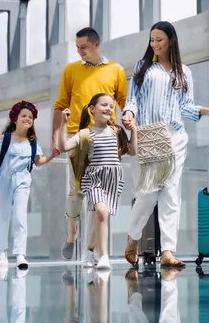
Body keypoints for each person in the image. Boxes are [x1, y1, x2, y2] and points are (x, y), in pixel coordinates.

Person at [121, 21, 209, 268]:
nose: (154, 44)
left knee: (171, 194)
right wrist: (129, 115)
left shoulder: (183, 72)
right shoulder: (142, 68)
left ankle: (168, 251)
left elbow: (185, 105)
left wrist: (204, 110)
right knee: (146, 194)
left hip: (175, 137)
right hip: (148, 135)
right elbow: (133, 99)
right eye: (152, 39)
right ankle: (133, 236)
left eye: (159, 40)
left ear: (170, 41)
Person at [52, 27, 128, 261]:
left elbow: (125, 103)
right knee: (76, 192)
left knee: (102, 196)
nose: (79, 51)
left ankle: (93, 246)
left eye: (83, 46)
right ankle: (72, 233)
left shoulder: (116, 70)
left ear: (96, 44)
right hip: (79, 135)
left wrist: (130, 125)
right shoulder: (71, 70)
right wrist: (56, 138)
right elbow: (60, 104)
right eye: (77, 47)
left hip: (108, 136)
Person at [59, 93, 136, 269]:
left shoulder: (117, 131)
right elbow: (64, 147)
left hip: (113, 178)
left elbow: (131, 151)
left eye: (111, 106)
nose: (108, 108)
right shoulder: (85, 134)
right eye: (104, 105)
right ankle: (103, 257)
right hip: (94, 178)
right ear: (92, 109)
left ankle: (89, 251)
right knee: (101, 211)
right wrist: (63, 124)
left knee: (100, 215)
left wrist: (134, 130)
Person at [0, 100, 55, 269]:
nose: (27, 118)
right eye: (24, 115)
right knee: (2, 216)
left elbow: (38, 162)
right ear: (15, 119)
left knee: (20, 216)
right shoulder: (6, 139)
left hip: (23, 182)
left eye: (30, 117)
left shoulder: (33, 143)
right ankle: (1, 252)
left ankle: (20, 254)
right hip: (3, 181)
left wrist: (53, 155)